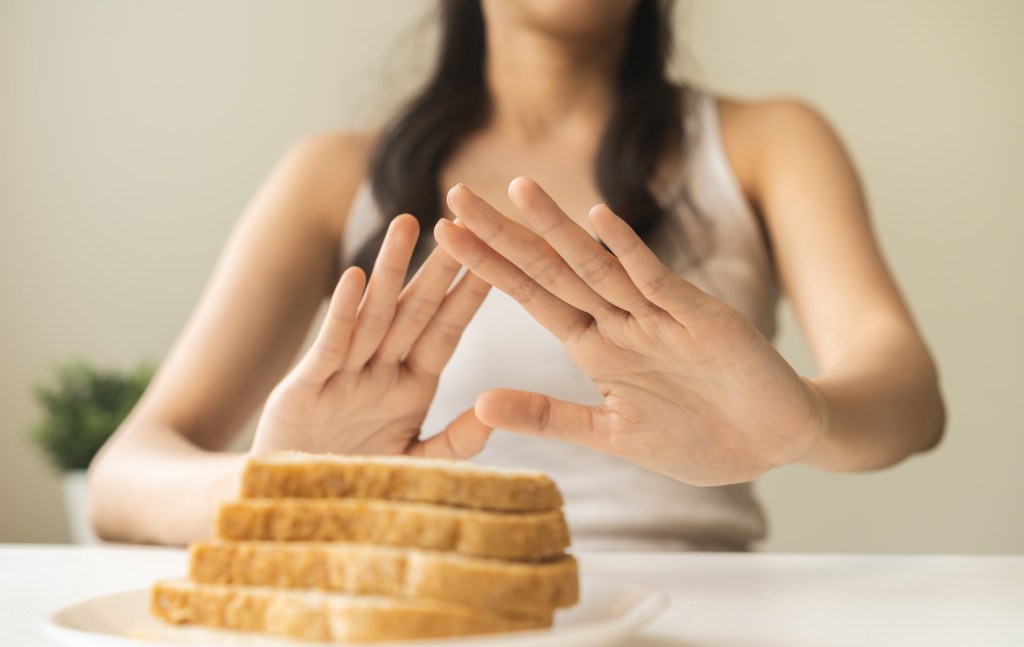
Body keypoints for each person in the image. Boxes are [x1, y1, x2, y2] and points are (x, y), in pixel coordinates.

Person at [89, 0, 945, 549]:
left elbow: (906, 393)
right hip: (418, 628)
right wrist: (295, 492)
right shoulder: (332, 174)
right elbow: (123, 478)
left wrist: (809, 421)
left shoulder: (768, 142)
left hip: (707, 626)